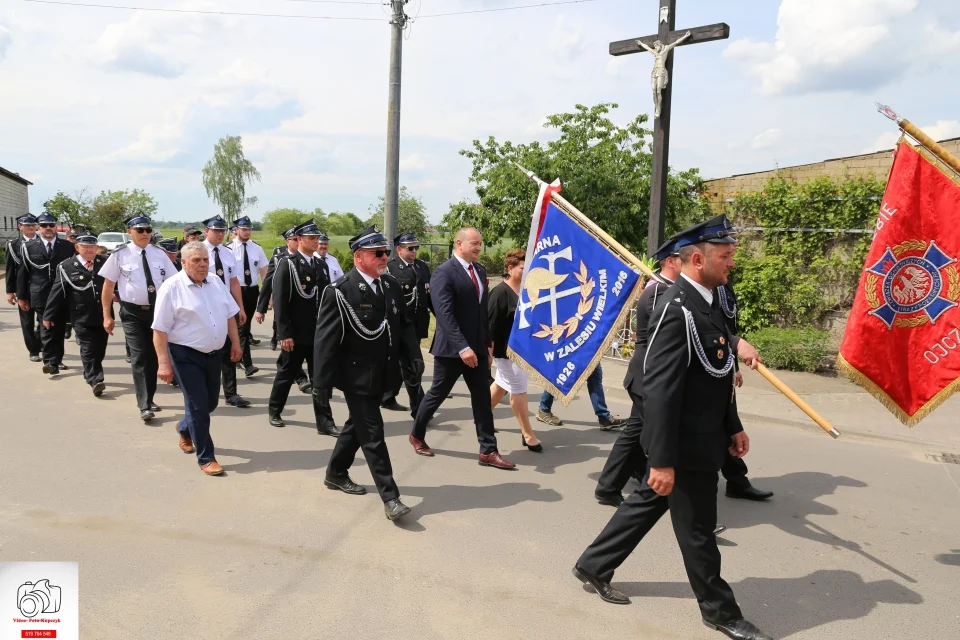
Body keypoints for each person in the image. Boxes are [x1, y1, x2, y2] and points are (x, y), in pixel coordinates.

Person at [572, 215, 772, 640]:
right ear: (697, 259)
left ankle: (593, 564)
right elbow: (660, 390)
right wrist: (661, 459)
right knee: (698, 530)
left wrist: (732, 426)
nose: (732, 262)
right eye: (726, 255)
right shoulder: (674, 307)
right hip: (681, 444)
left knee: (647, 501)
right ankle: (721, 612)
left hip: (702, 437)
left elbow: (714, 374)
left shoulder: (710, 301)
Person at [315, 226, 422, 521]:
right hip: (356, 376)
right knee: (373, 434)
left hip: (383, 373)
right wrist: (320, 387)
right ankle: (391, 498)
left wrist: (413, 355)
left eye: (385, 252)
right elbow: (324, 342)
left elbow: (404, 325)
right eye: (378, 253)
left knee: (357, 425)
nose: (384, 257)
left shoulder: (389, 286)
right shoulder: (340, 291)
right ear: (359, 256)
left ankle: (335, 472)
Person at [408, 227, 515, 470]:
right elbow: (444, 315)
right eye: (474, 243)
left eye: (480, 244)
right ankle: (416, 434)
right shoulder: (443, 273)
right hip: (451, 350)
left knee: (481, 398)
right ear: (459, 243)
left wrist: (487, 345)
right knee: (438, 393)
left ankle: (488, 450)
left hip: (476, 347)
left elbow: (482, 313)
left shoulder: (479, 270)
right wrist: (462, 347)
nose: (479, 248)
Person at [153, 241, 243, 476]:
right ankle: (206, 457)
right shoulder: (171, 288)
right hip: (185, 355)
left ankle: (185, 427)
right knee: (199, 406)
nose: (203, 265)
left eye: (205, 260)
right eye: (196, 261)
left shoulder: (215, 282)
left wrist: (235, 343)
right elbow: (160, 330)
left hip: (214, 354)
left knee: (210, 403)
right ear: (183, 263)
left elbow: (229, 315)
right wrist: (163, 363)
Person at [100, 214, 176, 421]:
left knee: (152, 357)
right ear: (129, 232)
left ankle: (149, 398)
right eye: (140, 230)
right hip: (132, 312)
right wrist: (107, 315)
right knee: (140, 355)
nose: (145, 234)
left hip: (157, 311)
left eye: (148, 230)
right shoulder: (119, 255)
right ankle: (144, 404)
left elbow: (173, 282)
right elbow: (108, 287)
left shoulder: (159, 254)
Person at [266, 219, 340, 436]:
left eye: (317, 238)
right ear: (299, 240)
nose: (316, 242)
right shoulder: (288, 265)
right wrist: (284, 333)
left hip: (319, 333)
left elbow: (326, 299)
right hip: (296, 334)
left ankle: (325, 422)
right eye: (311, 238)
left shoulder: (321, 264)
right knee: (287, 373)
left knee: (321, 378)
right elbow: (280, 303)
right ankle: (274, 410)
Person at [487, 248, 542, 451]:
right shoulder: (500, 293)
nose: (526, 270)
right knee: (518, 389)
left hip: (522, 350)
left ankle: (482, 418)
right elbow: (490, 326)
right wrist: (489, 353)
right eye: (522, 267)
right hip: (506, 352)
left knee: (501, 385)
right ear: (510, 268)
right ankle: (527, 434)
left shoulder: (526, 290)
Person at [42, 234, 109, 396]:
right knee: (88, 347)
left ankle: (91, 373)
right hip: (81, 315)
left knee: (100, 348)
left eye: (92, 247)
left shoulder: (106, 262)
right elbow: (56, 292)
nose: (89, 250)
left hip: (103, 314)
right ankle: (95, 379)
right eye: (85, 247)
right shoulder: (67, 266)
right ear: (77, 248)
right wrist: (48, 315)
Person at [16, 213, 77, 374]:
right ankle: (50, 361)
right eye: (44, 225)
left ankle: (56, 360)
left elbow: (74, 271)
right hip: (40, 294)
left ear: (56, 227)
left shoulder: (67, 246)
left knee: (59, 328)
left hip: (62, 294)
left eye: (51, 225)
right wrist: (21, 296)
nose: (48, 228)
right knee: (46, 327)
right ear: (38, 227)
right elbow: (23, 273)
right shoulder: (28, 247)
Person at [201, 215, 251, 408]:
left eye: (222, 231)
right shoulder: (199, 251)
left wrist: (239, 307)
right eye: (216, 231)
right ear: (207, 231)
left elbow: (234, 282)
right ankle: (204, 390)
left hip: (224, 306)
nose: (220, 234)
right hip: (204, 306)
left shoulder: (228, 253)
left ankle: (231, 393)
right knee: (207, 349)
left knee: (230, 348)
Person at [256, 227, 311, 390]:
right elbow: (268, 282)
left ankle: (286, 365)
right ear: (288, 241)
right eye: (294, 239)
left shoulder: (310, 259)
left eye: (298, 238)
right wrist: (261, 307)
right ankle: (300, 377)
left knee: (291, 353)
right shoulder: (281, 258)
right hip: (286, 307)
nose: (297, 241)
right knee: (291, 347)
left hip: (304, 312)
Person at [382, 232, 430, 415]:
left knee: (408, 364)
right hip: (397, 324)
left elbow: (428, 294)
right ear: (399, 249)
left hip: (417, 324)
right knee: (409, 365)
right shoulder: (391, 268)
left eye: (416, 247)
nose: (414, 251)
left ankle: (387, 397)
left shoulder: (422, 267)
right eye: (410, 248)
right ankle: (420, 408)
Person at [229, 216, 268, 378]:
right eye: (244, 229)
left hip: (252, 291)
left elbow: (264, 272)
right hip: (235, 293)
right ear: (236, 230)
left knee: (244, 327)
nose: (247, 232)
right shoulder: (228, 249)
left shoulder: (256, 249)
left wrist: (268, 296)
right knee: (242, 328)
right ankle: (248, 363)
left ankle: (236, 355)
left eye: (249, 229)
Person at [536, 366, 626, 430]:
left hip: (586, 344)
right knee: (561, 376)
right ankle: (544, 409)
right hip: (571, 345)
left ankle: (604, 418)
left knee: (594, 374)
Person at [5, 214, 42, 361]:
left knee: (44, 319)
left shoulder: (43, 242)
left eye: (33, 225)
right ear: (20, 227)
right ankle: (33, 350)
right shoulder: (13, 245)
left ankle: (40, 343)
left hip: (41, 287)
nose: (31, 227)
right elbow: (10, 270)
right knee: (27, 321)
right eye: (27, 225)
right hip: (23, 289)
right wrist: (10, 291)